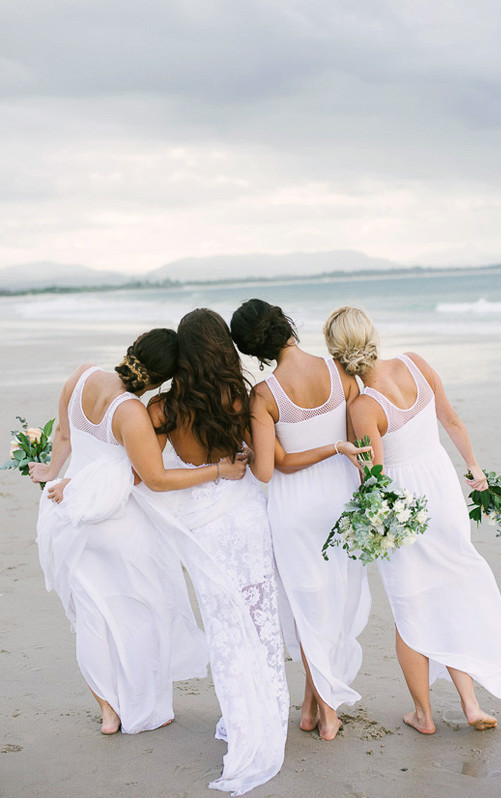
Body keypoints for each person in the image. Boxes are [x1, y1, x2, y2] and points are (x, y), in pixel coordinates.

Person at [29, 328, 246, 736]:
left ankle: (109, 711)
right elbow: (155, 478)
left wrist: (52, 473)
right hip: (117, 521)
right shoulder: (131, 411)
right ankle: (146, 708)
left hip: (68, 513)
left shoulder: (81, 376)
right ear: (161, 379)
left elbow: (64, 434)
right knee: (144, 611)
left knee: (93, 616)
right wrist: (220, 469)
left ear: (133, 349)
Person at [323, 306, 501, 734]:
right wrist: (474, 468)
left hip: (404, 511)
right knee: (449, 593)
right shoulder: (416, 363)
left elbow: (372, 477)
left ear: (336, 355)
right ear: (373, 334)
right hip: (443, 492)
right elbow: (451, 419)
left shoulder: (363, 406)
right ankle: (471, 704)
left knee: (411, 606)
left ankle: (424, 715)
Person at [145, 309, 289, 795]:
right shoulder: (239, 396)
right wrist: (238, 461)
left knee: (224, 624)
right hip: (245, 515)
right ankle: (268, 713)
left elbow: (152, 477)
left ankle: (242, 719)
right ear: (223, 348)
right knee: (259, 615)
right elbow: (257, 455)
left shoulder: (163, 410)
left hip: (203, 526)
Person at [230, 298, 372, 741]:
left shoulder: (264, 394)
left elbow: (273, 468)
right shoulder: (340, 373)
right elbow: (358, 444)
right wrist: (336, 450)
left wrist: (250, 454)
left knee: (309, 608)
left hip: (294, 508)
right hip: (340, 501)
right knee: (333, 605)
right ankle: (312, 707)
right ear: (285, 324)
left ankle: (323, 712)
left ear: (254, 349)